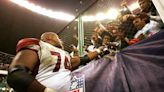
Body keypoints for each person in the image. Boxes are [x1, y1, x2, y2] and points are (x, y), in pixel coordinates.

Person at [7, 32, 104, 92]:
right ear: (48, 38)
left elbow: (84, 59)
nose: (61, 41)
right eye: (58, 38)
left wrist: (99, 50)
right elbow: (16, 75)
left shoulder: (65, 54)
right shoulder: (39, 45)